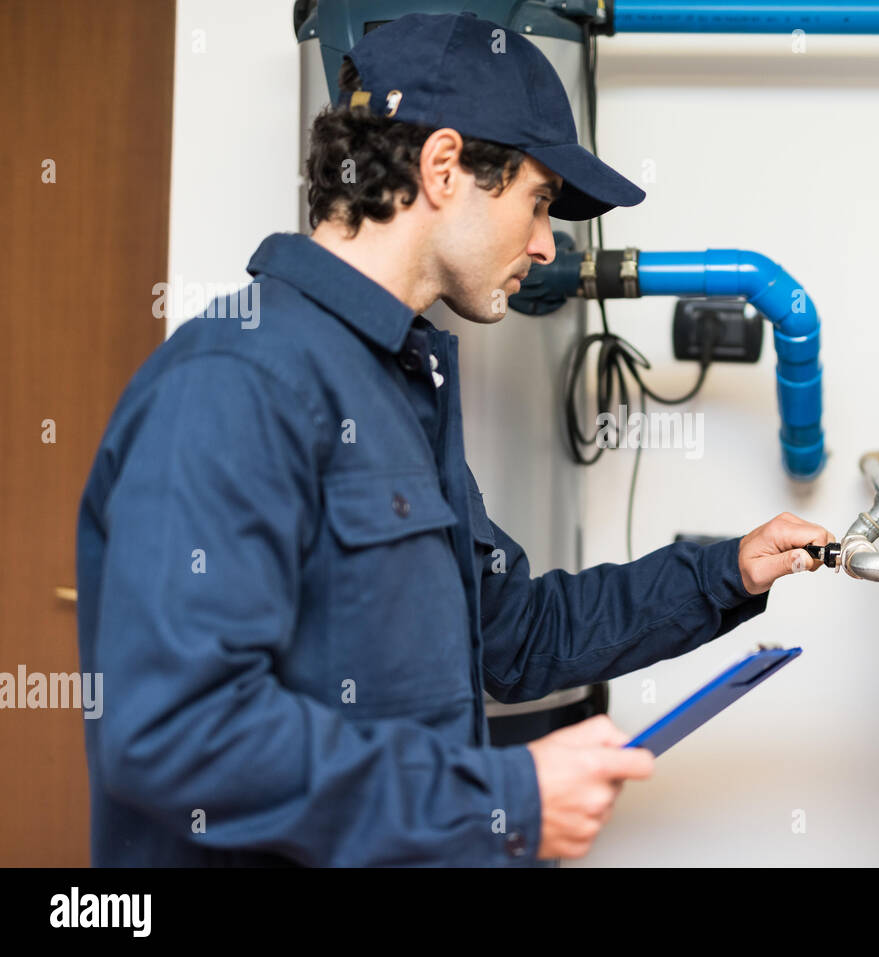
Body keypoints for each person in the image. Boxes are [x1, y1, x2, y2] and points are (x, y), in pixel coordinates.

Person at [76, 10, 831, 867]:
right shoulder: (236, 380)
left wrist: (725, 570)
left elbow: (515, 634)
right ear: (443, 167)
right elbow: (177, 733)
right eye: (539, 202)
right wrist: (503, 798)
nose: (547, 245)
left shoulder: (400, 383)